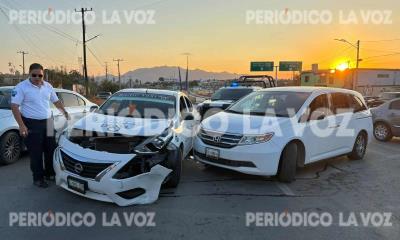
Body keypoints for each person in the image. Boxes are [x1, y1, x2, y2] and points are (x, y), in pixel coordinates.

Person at [11, 63, 69, 188]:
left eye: (40, 75)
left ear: (43, 75)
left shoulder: (48, 86)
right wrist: (21, 125)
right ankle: (38, 178)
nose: (37, 77)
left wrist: (64, 112)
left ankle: (49, 173)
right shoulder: (21, 87)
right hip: (32, 123)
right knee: (35, 152)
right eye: (34, 75)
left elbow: (56, 101)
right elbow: (14, 106)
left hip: (48, 122)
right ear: (29, 74)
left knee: (51, 150)